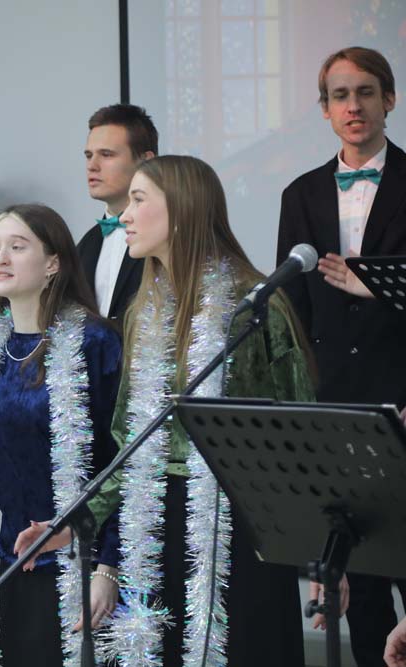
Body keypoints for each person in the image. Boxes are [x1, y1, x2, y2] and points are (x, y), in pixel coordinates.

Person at [88, 155, 314, 666]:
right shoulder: (143, 311)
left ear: (183, 209)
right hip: (156, 522)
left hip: (240, 527)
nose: (124, 215)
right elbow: (128, 437)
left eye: (138, 200)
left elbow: (301, 428)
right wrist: (83, 517)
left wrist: (318, 551)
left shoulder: (254, 307)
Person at [0, 204, 123, 666]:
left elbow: (121, 463)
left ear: (53, 263)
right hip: (9, 567)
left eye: (17, 247)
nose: (0, 258)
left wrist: (108, 570)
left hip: (80, 563)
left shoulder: (95, 342)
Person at [277, 46, 406, 666]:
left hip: (403, 402)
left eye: (365, 92)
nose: (353, 106)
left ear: (390, 99)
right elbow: (295, 314)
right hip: (337, 415)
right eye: (339, 95)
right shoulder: (300, 194)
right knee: (364, 586)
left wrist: (378, 288)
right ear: (325, 109)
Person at [77, 104, 157, 326]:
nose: (92, 166)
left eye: (106, 154)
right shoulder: (86, 244)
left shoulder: (165, 238)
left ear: (146, 161)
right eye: (88, 155)